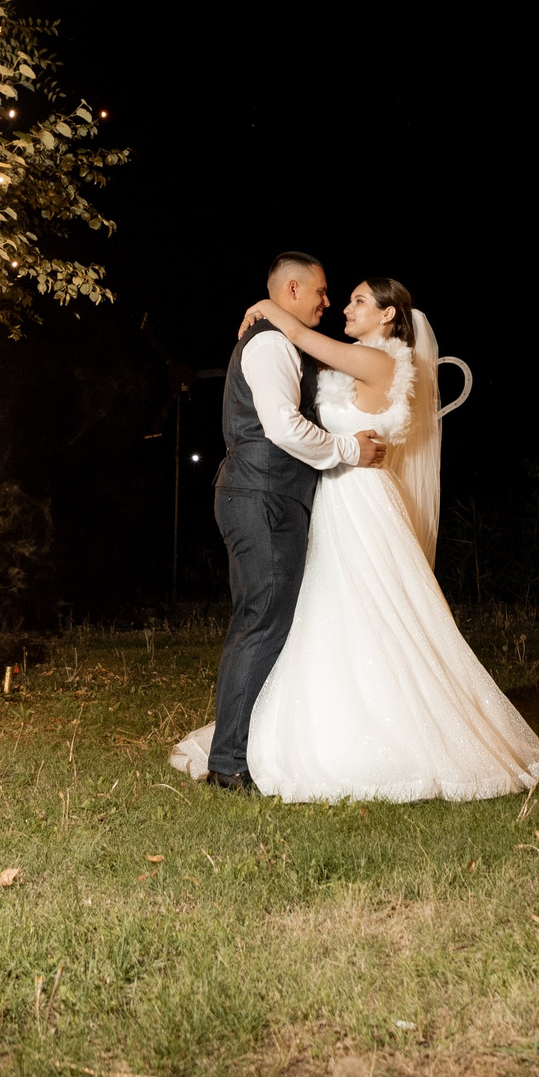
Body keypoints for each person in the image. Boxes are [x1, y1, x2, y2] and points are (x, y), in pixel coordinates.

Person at [174, 273, 539, 803]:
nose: (341, 307)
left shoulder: (382, 362)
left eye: (355, 301)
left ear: (388, 316)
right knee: (322, 612)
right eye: (337, 296)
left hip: (358, 497)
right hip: (330, 495)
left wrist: (264, 304)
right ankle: (280, 734)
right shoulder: (348, 361)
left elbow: (303, 340)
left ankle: (376, 735)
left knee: (366, 609)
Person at [193, 252, 386, 794]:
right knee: (261, 622)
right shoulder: (271, 344)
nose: (329, 301)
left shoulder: (284, 340)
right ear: (294, 289)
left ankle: (243, 751)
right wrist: (348, 448)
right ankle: (228, 765)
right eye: (322, 292)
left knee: (263, 622)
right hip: (262, 495)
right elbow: (281, 427)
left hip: (266, 494)